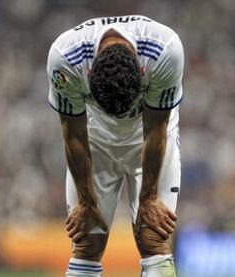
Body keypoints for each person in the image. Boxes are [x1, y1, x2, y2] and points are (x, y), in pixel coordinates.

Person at [47, 15, 184, 277]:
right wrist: (86, 201)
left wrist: (149, 197)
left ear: (142, 71)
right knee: (87, 243)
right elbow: (73, 134)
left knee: (153, 237)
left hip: (149, 132)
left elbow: (156, 130)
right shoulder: (64, 59)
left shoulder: (165, 50)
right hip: (94, 135)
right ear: (89, 73)